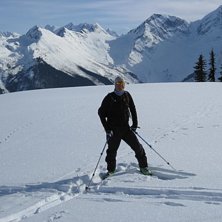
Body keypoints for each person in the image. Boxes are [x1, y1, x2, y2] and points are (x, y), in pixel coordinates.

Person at [98, 76, 151, 176]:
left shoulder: (127, 95)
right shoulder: (109, 97)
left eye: (122, 83)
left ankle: (144, 167)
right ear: (114, 85)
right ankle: (111, 171)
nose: (120, 85)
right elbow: (101, 113)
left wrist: (135, 124)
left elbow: (133, 109)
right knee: (111, 152)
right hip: (113, 131)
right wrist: (107, 129)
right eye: (118, 83)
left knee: (138, 147)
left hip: (126, 129)